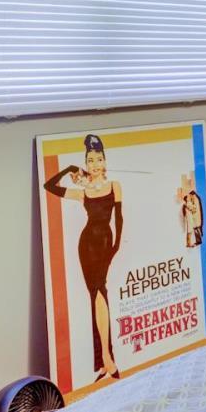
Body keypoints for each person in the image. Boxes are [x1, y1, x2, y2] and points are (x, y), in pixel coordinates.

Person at [44, 134, 124, 379]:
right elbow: (50, 186)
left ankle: (107, 359)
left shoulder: (114, 185)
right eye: (90, 160)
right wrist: (69, 169)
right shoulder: (83, 192)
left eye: (99, 159)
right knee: (96, 295)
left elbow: (119, 218)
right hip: (86, 245)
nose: (95, 164)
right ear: (86, 164)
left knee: (101, 293)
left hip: (105, 243)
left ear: (105, 161)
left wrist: (116, 247)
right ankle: (104, 361)